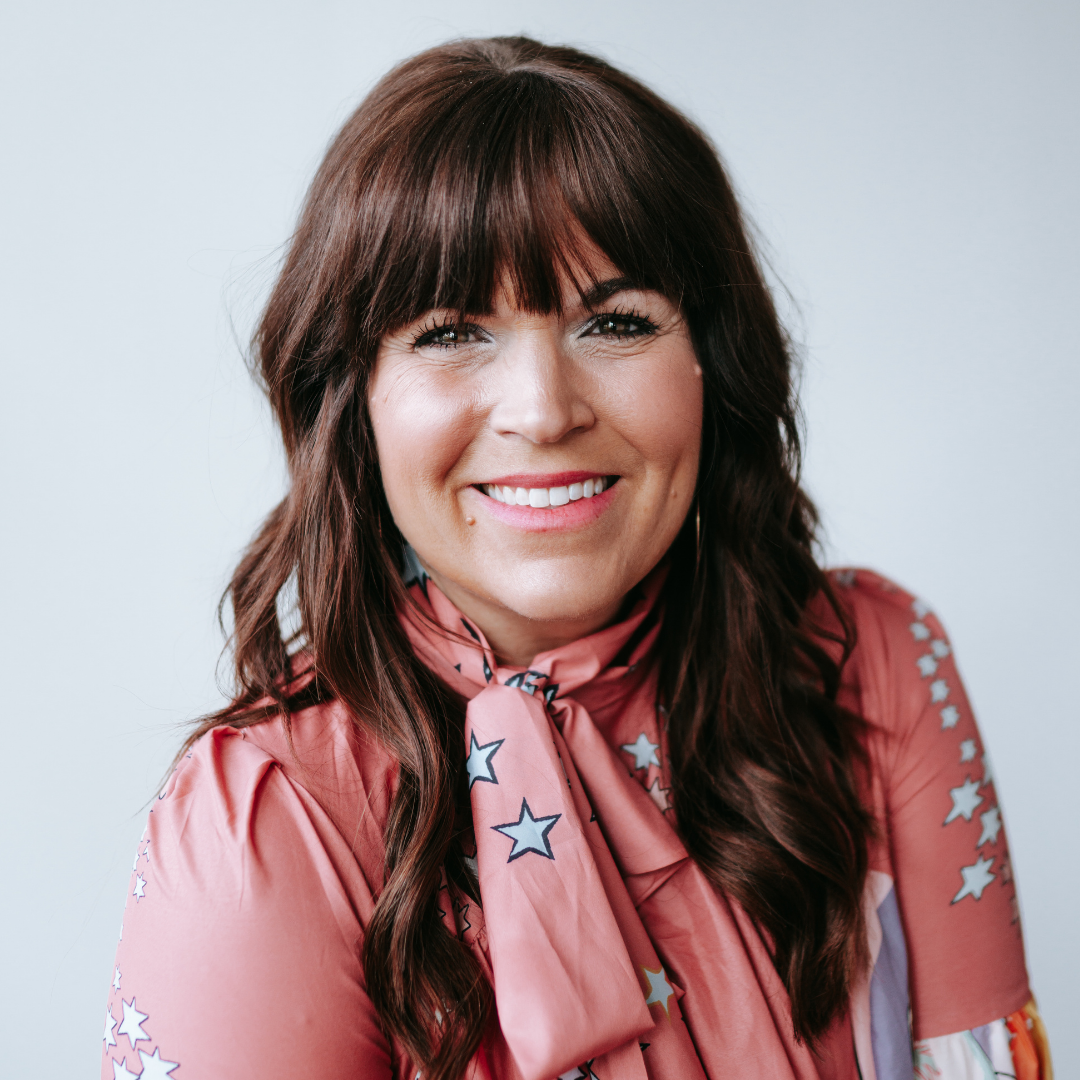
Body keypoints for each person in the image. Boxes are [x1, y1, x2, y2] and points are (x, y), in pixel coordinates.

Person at [101, 36, 1052, 1080]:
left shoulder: (874, 666)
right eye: (450, 332)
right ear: (352, 399)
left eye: (616, 322)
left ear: (714, 365)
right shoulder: (264, 820)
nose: (545, 411)